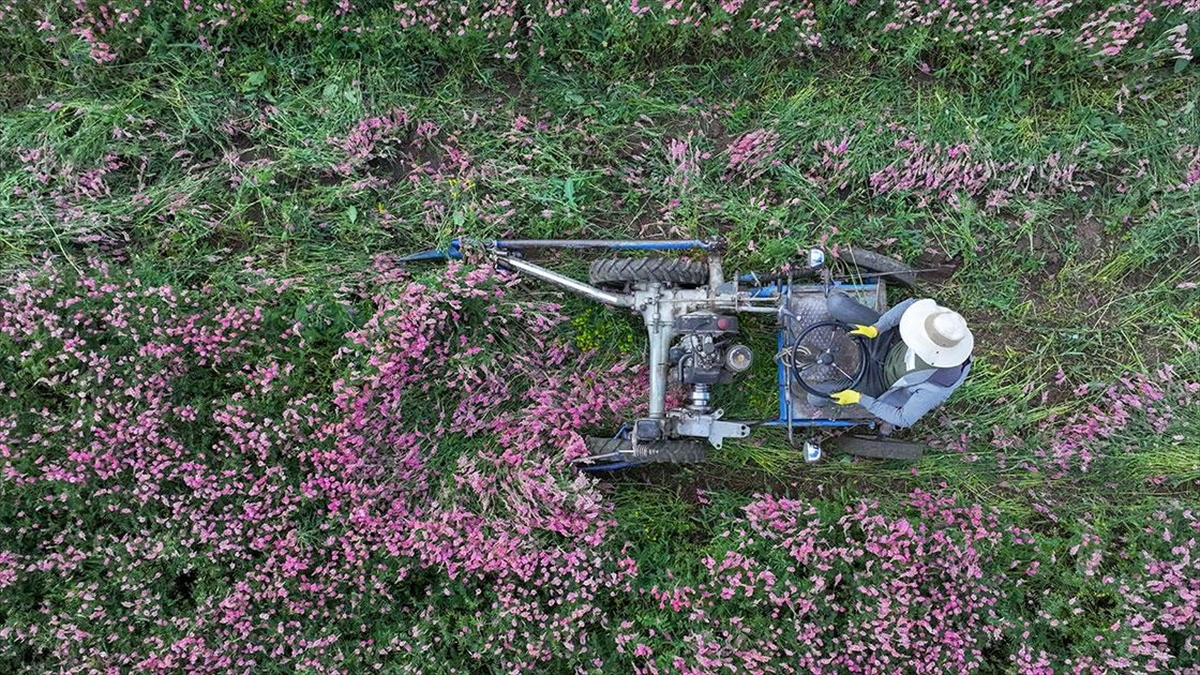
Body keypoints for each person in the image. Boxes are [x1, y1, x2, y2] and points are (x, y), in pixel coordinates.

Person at [808, 292, 973, 428]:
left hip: (879, 381)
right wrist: (877, 328)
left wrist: (860, 399)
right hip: (887, 341)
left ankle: (845, 386)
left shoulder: (938, 384)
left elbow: (904, 419)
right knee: (836, 303)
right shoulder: (940, 323)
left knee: (815, 397)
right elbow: (910, 305)